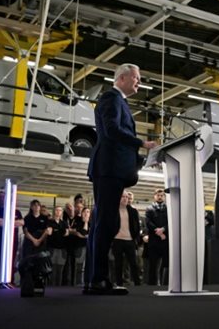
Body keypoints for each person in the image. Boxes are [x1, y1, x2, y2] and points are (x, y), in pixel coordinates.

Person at [85, 63, 157, 295]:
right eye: (136, 77)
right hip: (109, 169)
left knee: (106, 224)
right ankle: (98, 280)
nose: (139, 82)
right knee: (106, 224)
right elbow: (111, 129)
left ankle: (96, 280)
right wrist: (141, 143)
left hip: (113, 169)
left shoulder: (119, 101)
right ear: (122, 78)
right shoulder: (111, 98)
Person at [0, 190, 23, 287]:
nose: (2, 199)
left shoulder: (15, 211)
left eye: (3, 197)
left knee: (10, 262)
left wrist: (6, 222)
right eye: (0, 197)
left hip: (11, 242)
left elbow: (22, 223)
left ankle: (9, 281)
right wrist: (13, 223)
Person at [112, 192, 141, 287]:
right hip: (117, 240)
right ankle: (119, 284)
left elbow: (137, 226)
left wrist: (135, 239)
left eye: (126, 197)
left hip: (130, 240)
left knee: (134, 264)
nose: (125, 199)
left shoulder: (133, 211)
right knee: (118, 264)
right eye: (122, 197)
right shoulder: (113, 210)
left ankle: (137, 283)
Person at [146, 188, 169, 286]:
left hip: (165, 240)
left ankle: (165, 284)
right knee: (153, 265)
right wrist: (159, 232)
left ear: (164, 196)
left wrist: (163, 229)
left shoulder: (168, 208)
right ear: (154, 196)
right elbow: (148, 222)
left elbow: (171, 222)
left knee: (166, 264)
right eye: (158, 195)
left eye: (162, 195)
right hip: (154, 240)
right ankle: (152, 285)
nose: (160, 197)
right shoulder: (149, 208)